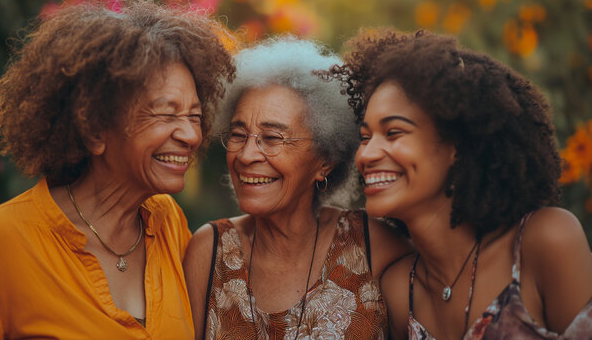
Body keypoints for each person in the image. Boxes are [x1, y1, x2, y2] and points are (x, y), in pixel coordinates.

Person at [0, 0, 235, 339]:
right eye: (166, 113)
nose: (190, 135)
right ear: (94, 129)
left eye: (193, 115)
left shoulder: (167, 222)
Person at [331, 29, 592, 339]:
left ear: (456, 145)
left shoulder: (544, 242)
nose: (367, 154)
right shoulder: (399, 290)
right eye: (365, 137)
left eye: (394, 132)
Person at [183, 37, 412, 340]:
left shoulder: (373, 246)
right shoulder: (210, 250)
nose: (247, 155)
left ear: (325, 161)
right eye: (239, 134)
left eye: (273, 138)